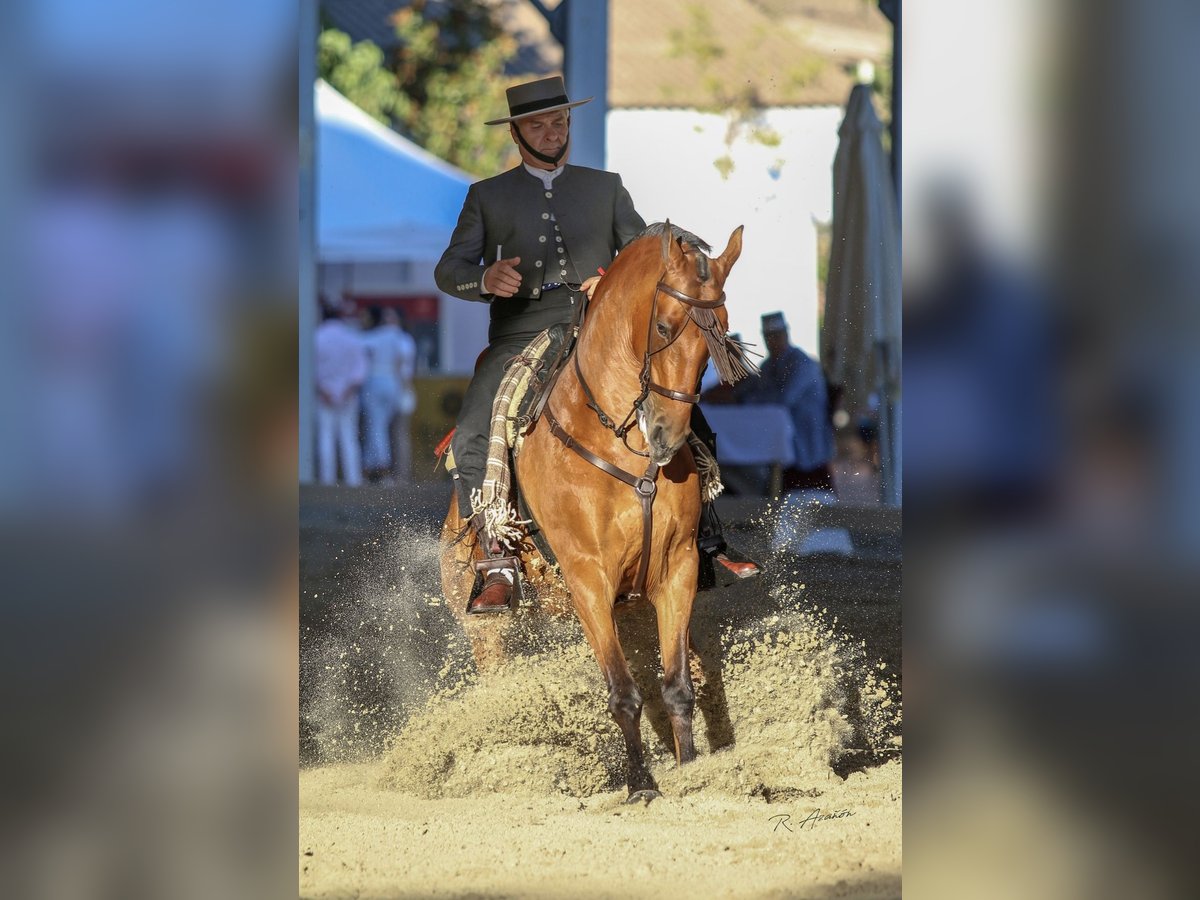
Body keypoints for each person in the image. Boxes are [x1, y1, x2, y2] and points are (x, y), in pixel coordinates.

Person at [435, 75, 757, 614]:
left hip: (598, 330)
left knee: (683, 409)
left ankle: (706, 540)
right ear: (516, 133)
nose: (552, 132)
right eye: (539, 124)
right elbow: (450, 270)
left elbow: (643, 252)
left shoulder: (606, 186)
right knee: (475, 425)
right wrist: (484, 280)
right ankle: (495, 557)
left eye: (559, 122)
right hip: (521, 336)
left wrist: (609, 277)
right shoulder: (485, 196)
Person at [736, 312, 836, 493]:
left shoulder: (802, 363)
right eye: (768, 336)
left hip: (805, 438)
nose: (772, 340)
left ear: (785, 334)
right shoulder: (768, 365)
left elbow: (784, 399)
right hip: (779, 437)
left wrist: (746, 398)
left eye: (776, 335)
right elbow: (748, 389)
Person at [360, 307, 417, 484]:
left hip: (385, 384)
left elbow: (402, 366)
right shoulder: (402, 338)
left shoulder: (383, 336)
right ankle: (374, 469)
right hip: (395, 386)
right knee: (384, 430)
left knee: (381, 429)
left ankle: (384, 470)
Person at [315, 302, 368, 486]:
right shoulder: (352, 338)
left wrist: (322, 389)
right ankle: (353, 480)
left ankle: (326, 480)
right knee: (349, 437)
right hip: (348, 395)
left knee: (326, 437)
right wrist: (347, 391)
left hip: (324, 395)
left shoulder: (316, 337)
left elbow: (308, 368)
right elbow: (360, 371)